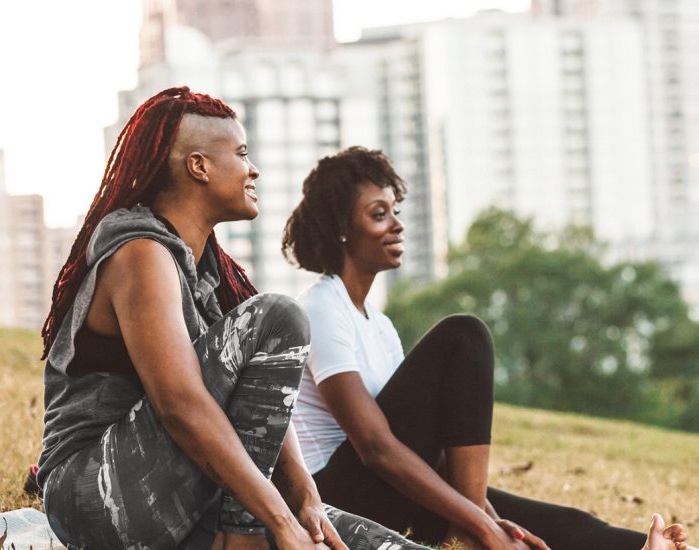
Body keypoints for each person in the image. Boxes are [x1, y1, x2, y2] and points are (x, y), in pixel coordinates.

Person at [281, 146, 699, 550]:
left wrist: (491, 517)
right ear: (341, 229)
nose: (397, 225)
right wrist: (481, 526)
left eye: (396, 211)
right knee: (463, 336)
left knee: (560, 524)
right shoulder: (323, 308)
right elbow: (377, 448)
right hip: (338, 499)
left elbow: (418, 447)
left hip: (388, 489)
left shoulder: (379, 325)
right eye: (378, 214)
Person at [37, 88, 434, 550]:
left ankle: (240, 533)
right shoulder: (141, 254)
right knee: (279, 316)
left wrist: (304, 496)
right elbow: (180, 405)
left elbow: (264, 399)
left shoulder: (210, 274)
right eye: (242, 154)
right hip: (94, 495)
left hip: (182, 495)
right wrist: (277, 520)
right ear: (199, 166)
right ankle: (241, 540)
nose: (253, 169)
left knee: (381, 545)